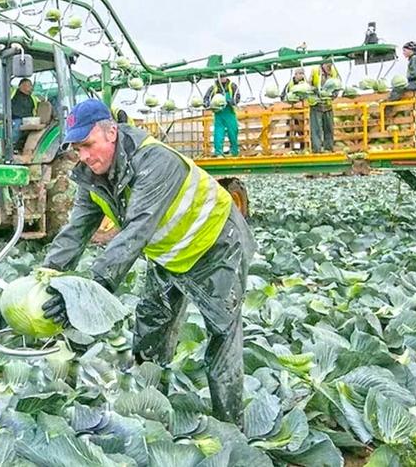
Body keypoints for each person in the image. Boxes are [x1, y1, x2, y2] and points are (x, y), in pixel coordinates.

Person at [40, 99, 256, 425]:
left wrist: (87, 292)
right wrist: (48, 274)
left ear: (111, 132)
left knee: (222, 336)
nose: (83, 156)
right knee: (151, 328)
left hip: (215, 246)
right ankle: (151, 408)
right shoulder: (92, 175)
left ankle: (230, 427)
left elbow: (136, 232)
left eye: (88, 145)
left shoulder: (155, 161)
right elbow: (76, 230)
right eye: (77, 148)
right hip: (168, 254)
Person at [203, 76, 241, 157]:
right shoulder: (213, 88)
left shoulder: (232, 86)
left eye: (223, 76)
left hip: (230, 113)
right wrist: (208, 104)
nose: (222, 78)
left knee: (233, 132)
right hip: (218, 115)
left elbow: (237, 98)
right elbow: (206, 99)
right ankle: (218, 153)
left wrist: (228, 101)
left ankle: (234, 152)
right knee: (218, 134)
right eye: (220, 76)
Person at [309, 63, 339, 153]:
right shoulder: (315, 71)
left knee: (329, 128)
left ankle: (328, 149)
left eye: (331, 65)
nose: (329, 67)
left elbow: (337, 85)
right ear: (323, 64)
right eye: (328, 65)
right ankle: (317, 150)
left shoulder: (334, 71)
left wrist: (334, 94)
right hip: (316, 105)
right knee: (316, 129)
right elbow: (308, 86)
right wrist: (315, 91)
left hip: (328, 105)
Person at [10, 78, 39, 149]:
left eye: (31, 86)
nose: (31, 87)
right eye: (29, 85)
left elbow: (41, 103)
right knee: (17, 126)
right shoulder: (13, 92)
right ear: (21, 86)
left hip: (29, 119)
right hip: (14, 118)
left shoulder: (33, 97)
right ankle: (12, 146)